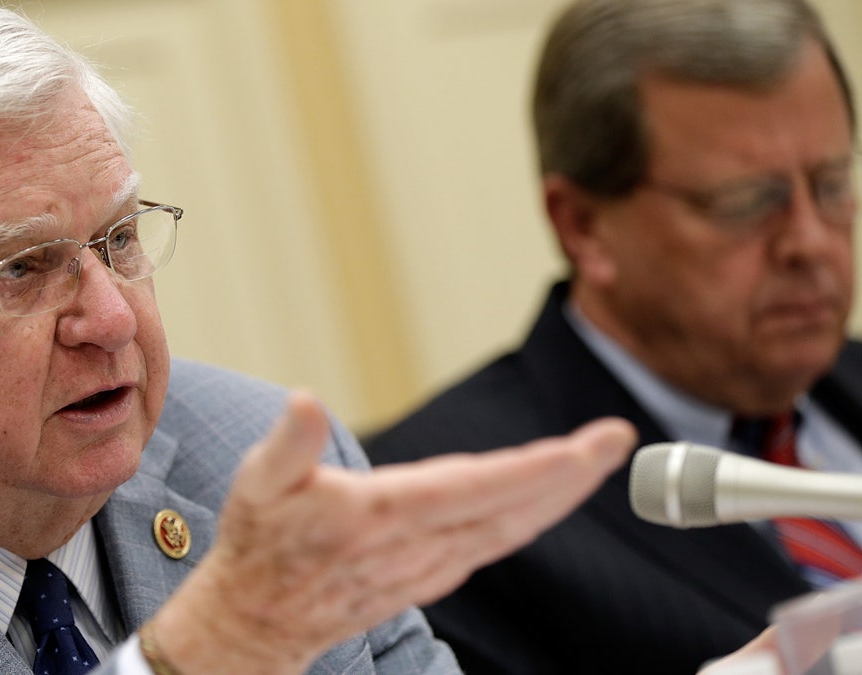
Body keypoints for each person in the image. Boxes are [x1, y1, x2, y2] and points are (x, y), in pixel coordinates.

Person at [0, 3, 643, 673]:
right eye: (18, 269)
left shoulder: (251, 455)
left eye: (119, 240)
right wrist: (196, 654)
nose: (112, 317)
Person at [365, 0, 862, 673]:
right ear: (583, 225)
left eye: (832, 185)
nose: (809, 241)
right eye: (747, 201)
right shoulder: (445, 509)